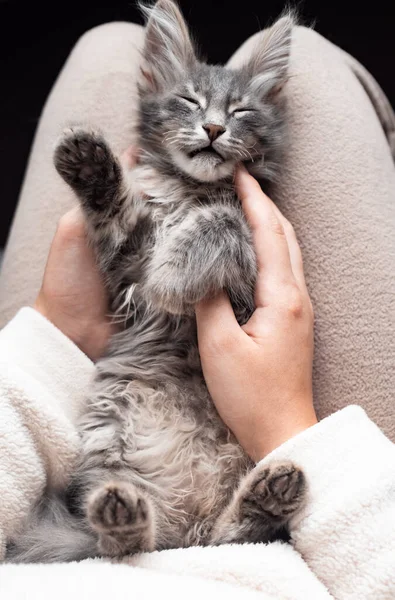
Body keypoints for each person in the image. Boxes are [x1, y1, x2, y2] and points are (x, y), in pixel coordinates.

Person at [0, 19, 395, 600]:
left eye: (239, 116)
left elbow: (148, 268)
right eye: (188, 105)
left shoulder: (218, 202)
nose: (212, 124)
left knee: (103, 44)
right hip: (240, 515)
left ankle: (148, 530)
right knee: (307, 56)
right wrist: (287, 424)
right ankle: (221, 530)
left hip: (153, 415)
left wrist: (55, 326)